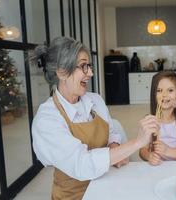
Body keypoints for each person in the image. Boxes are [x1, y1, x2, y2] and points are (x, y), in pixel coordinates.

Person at [30, 36, 159, 199]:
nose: (90, 73)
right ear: (62, 72)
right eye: (83, 66)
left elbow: (111, 131)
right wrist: (138, 142)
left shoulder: (95, 100)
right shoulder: (47, 119)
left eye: (89, 66)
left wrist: (114, 145)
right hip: (75, 195)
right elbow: (83, 165)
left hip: (107, 183)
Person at [139, 71, 176, 165]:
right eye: (159, 90)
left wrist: (167, 151)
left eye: (170, 90)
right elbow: (142, 150)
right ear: (154, 95)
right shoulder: (150, 120)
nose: (164, 95)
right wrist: (149, 156)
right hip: (157, 169)